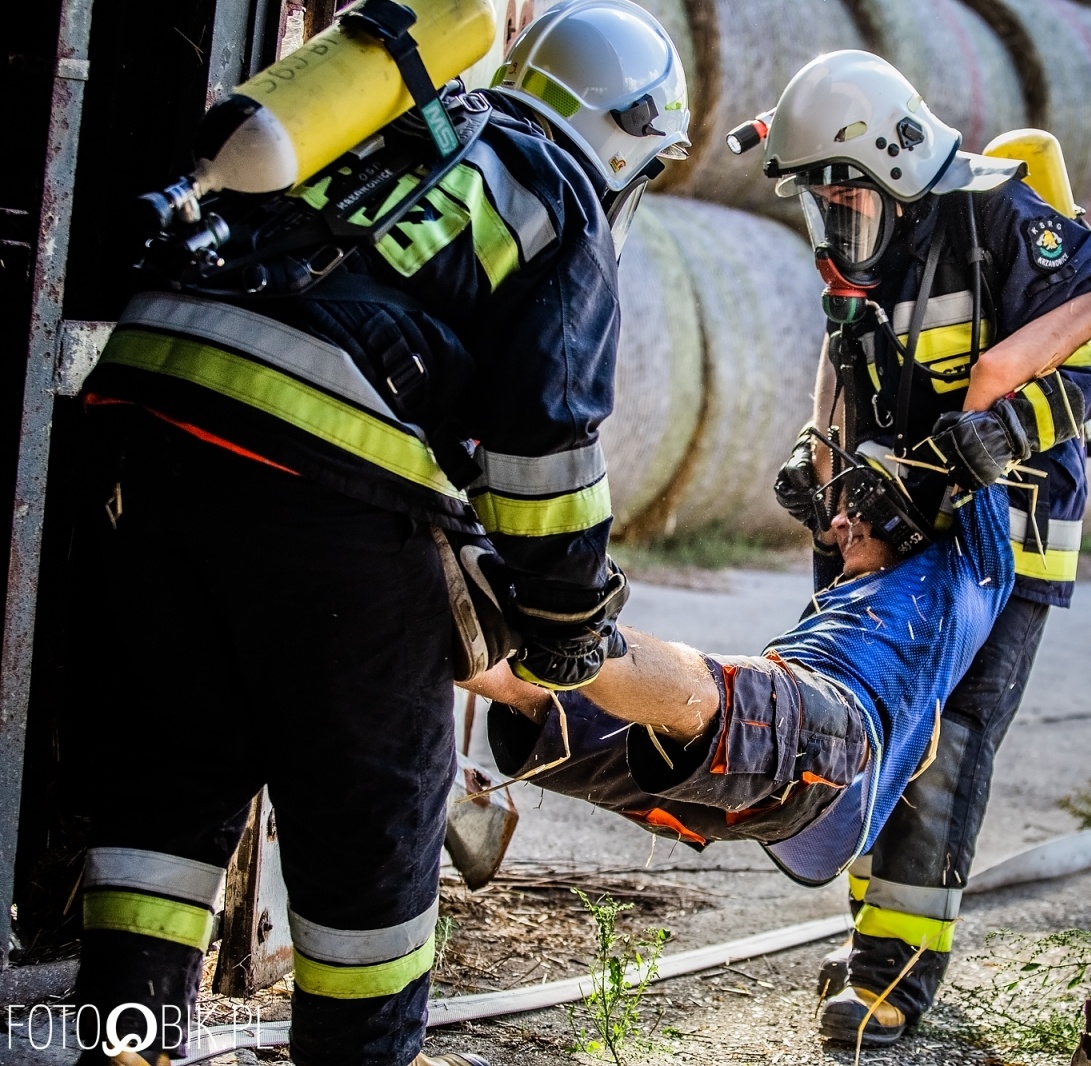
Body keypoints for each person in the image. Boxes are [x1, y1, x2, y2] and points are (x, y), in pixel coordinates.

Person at [69, 2, 688, 1064]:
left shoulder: (381, 120)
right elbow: (545, 459)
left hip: (146, 436)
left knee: (159, 801)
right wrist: (569, 622)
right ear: (623, 140)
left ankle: (122, 1047)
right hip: (326, 493)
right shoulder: (557, 192)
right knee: (371, 843)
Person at [755, 51, 1091, 1044]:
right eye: (818, 202)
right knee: (859, 727)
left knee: (943, 743)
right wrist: (814, 457)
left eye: (842, 195)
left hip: (997, 542)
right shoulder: (862, 257)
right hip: (879, 527)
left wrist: (1000, 433)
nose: (831, 223)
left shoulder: (1007, 223)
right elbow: (846, 373)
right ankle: (869, 935)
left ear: (889, 165)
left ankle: (896, 970)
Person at [471, 465, 1015, 907]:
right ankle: (440, 620)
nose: (842, 522)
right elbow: (841, 353)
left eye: (859, 506)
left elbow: (986, 407)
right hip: (753, 776)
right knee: (546, 706)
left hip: (841, 741)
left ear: (908, 521)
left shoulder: (966, 576)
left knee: (708, 693)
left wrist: (975, 445)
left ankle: (570, 625)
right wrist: (814, 460)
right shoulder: (846, 575)